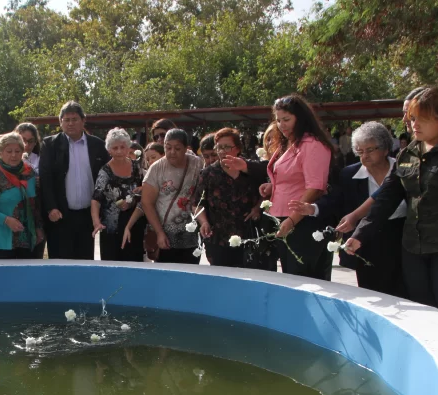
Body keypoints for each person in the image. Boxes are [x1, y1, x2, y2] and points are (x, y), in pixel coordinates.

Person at [344, 87, 438, 322]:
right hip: (413, 247)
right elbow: (387, 196)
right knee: (422, 312)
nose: (412, 124)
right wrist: (360, 233)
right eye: (411, 118)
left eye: (420, 118)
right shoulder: (407, 153)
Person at [289, 122, 407, 297]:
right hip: (366, 239)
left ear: (385, 148)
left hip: (402, 236)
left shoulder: (404, 170)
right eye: (360, 151)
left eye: (370, 150)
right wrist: (312, 208)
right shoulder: (349, 174)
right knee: (371, 293)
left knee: (404, 290)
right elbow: (335, 200)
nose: (364, 156)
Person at [261, 94, 334, 280]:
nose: (281, 125)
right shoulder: (289, 144)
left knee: (303, 280)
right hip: (284, 219)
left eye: (286, 119)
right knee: (290, 278)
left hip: (302, 223)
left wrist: (292, 220)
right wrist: (272, 187)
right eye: (278, 120)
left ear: (300, 118)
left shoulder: (312, 145)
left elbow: (315, 187)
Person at [39, 101, 110, 260]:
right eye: (66, 120)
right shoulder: (50, 145)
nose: (70, 123)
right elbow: (46, 179)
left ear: (83, 120)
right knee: (61, 262)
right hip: (60, 216)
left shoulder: (98, 145)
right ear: (60, 122)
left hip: (88, 216)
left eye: (74, 119)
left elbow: (106, 177)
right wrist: (51, 207)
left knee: (85, 261)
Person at [193, 128, 267, 268]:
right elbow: (197, 204)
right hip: (218, 239)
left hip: (248, 237)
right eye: (219, 147)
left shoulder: (251, 169)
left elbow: (267, 192)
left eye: (227, 147)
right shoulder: (208, 173)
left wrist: (257, 208)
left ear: (237, 148)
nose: (222, 151)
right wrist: (203, 222)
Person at [133, 128, 203, 264]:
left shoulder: (196, 163)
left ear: (185, 148)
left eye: (177, 148)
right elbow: (147, 202)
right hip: (165, 234)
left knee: (190, 275)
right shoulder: (156, 169)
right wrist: (159, 232)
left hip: (191, 234)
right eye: (168, 147)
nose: (172, 152)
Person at [0, 133, 44, 259]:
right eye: (9, 151)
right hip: (3, 237)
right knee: (6, 277)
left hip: (28, 237)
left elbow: (34, 204)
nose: (13, 155)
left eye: (17, 151)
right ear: (1, 152)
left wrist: (38, 228)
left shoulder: (28, 172)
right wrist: (6, 220)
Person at [91, 128, 144, 262]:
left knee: (134, 264)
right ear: (109, 150)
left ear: (128, 148)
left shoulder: (137, 167)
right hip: (111, 228)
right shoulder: (105, 171)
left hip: (134, 224)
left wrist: (137, 194)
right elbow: (96, 199)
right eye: (115, 148)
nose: (119, 151)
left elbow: (147, 190)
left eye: (122, 147)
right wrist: (96, 222)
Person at [16, 123, 46, 258]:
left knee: (34, 257)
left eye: (30, 141)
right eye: (23, 140)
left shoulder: (42, 160)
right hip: (14, 216)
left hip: (36, 216)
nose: (26, 145)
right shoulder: (5, 161)